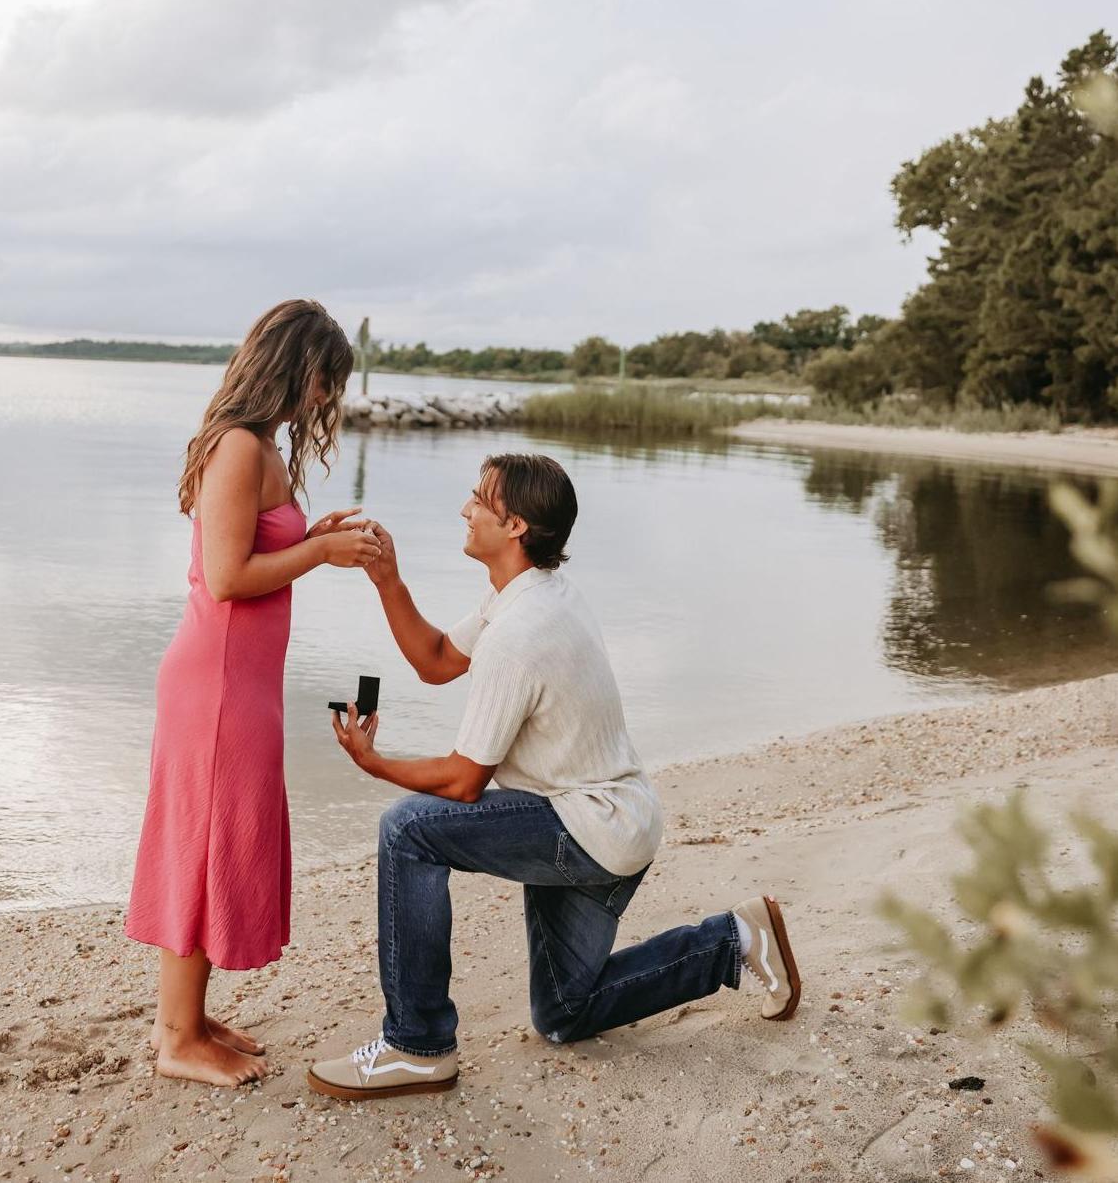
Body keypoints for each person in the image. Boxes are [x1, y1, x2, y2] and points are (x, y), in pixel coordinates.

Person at [307, 452, 800, 1099]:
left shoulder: (522, 632)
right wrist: (387, 579)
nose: (464, 508)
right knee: (565, 1013)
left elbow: (462, 781)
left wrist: (376, 763)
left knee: (408, 829)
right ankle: (733, 940)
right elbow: (435, 660)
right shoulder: (531, 591)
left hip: (583, 826)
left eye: (479, 499)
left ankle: (417, 1045)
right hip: (611, 821)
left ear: (515, 525)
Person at [125, 299, 381, 1088]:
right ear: (293, 368)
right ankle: (176, 1037)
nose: (325, 398)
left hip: (240, 682)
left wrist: (312, 539)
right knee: (204, 844)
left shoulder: (258, 445)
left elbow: (255, 552)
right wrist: (320, 553)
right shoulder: (239, 446)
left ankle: (189, 1017)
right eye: (324, 380)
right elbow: (229, 576)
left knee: (217, 839)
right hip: (216, 685)